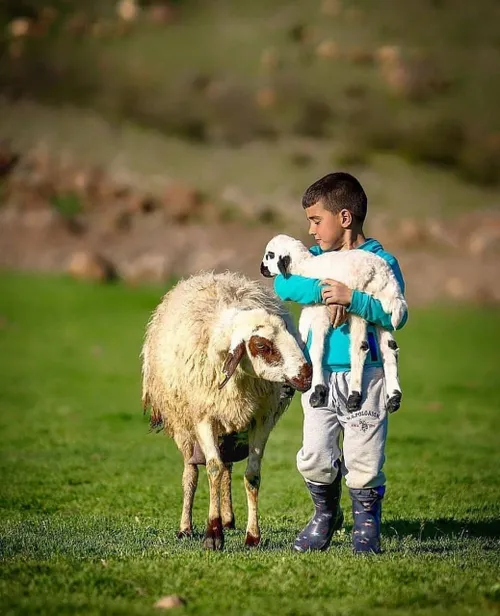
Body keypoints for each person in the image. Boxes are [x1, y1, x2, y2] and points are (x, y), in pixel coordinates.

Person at [273, 172, 408, 554]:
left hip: (366, 376)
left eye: (317, 221)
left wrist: (353, 298)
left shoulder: (381, 262)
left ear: (344, 218)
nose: (311, 230)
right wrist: (326, 291)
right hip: (319, 377)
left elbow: (396, 314)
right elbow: (283, 285)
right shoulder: (314, 260)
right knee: (315, 456)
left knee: (363, 457)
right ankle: (325, 515)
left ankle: (367, 526)